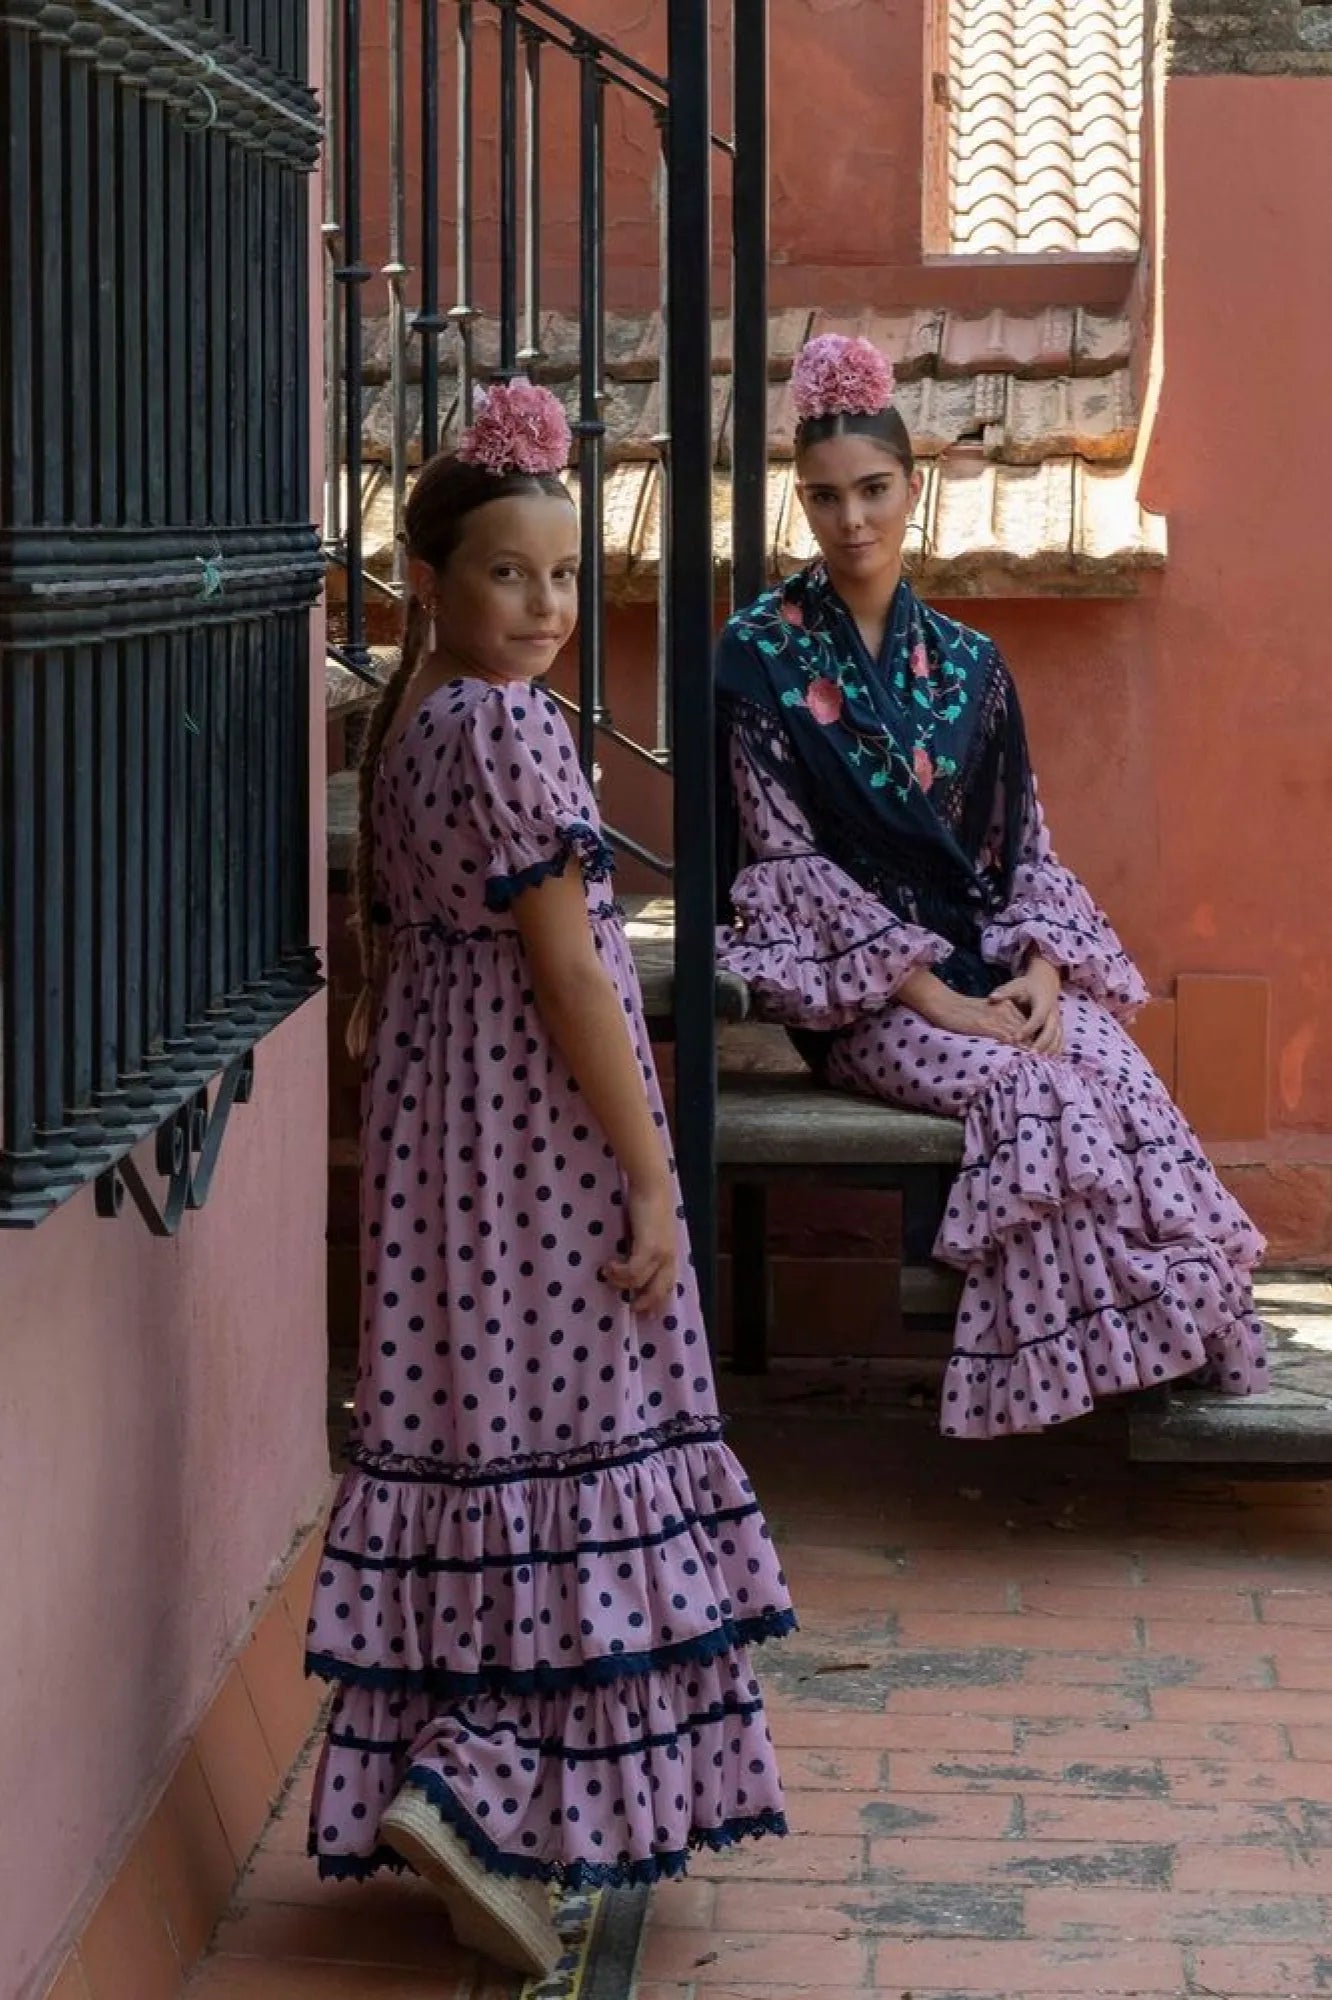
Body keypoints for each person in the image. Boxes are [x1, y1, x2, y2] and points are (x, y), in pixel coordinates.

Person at [305, 381, 792, 1975]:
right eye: (509, 574)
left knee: (489, 1450)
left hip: (447, 1149)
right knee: (581, 1448)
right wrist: (653, 1177)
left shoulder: (422, 728)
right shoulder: (510, 730)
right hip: (541, 1150)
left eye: (566, 577)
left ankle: (470, 1787)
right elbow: (578, 977)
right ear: (433, 586)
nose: (546, 607)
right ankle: (487, 1794)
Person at [715, 333, 1269, 1441]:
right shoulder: (757, 655)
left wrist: (1045, 975)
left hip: (994, 971)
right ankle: (1079, 1360)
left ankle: (1164, 1323)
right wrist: (940, 998)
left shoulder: (972, 664)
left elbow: (1025, 848)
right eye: (824, 499)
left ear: (912, 490)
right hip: (866, 997)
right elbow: (788, 865)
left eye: (874, 490)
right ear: (801, 504)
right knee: (1036, 1094)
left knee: (1109, 1064)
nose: (852, 521)